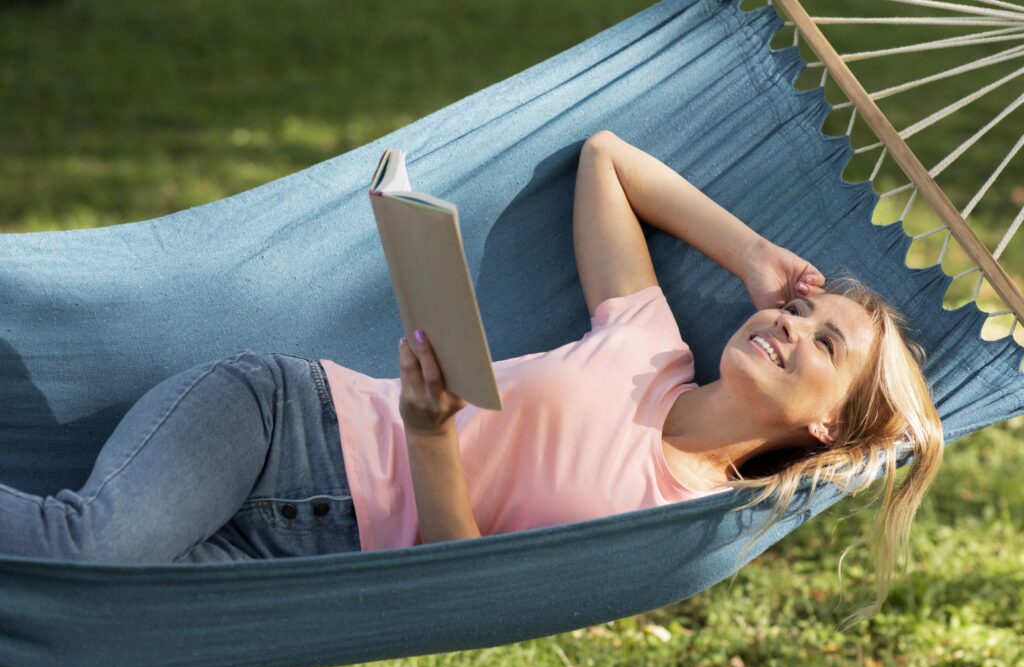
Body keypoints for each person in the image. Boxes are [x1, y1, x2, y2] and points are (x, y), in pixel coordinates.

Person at [0, 131, 941, 627]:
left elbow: (454, 580)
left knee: (79, 637)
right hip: (280, 426)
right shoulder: (648, 346)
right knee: (73, 552)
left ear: (828, 430)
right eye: (805, 310)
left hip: (290, 568)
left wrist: (433, 429)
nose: (790, 325)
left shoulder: (675, 528)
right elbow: (608, 161)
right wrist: (753, 257)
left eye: (825, 347)